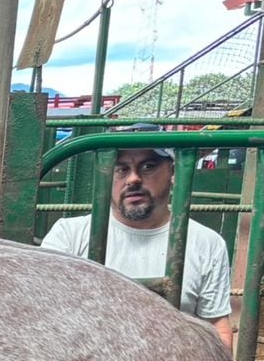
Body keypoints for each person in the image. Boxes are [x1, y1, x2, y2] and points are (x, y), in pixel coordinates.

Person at [40, 126, 233, 349]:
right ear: (105, 175)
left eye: (148, 166)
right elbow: (46, 319)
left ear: (172, 171)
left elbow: (217, 324)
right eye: (121, 169)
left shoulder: (207, 243)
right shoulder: (68, 236)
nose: (133, 179)